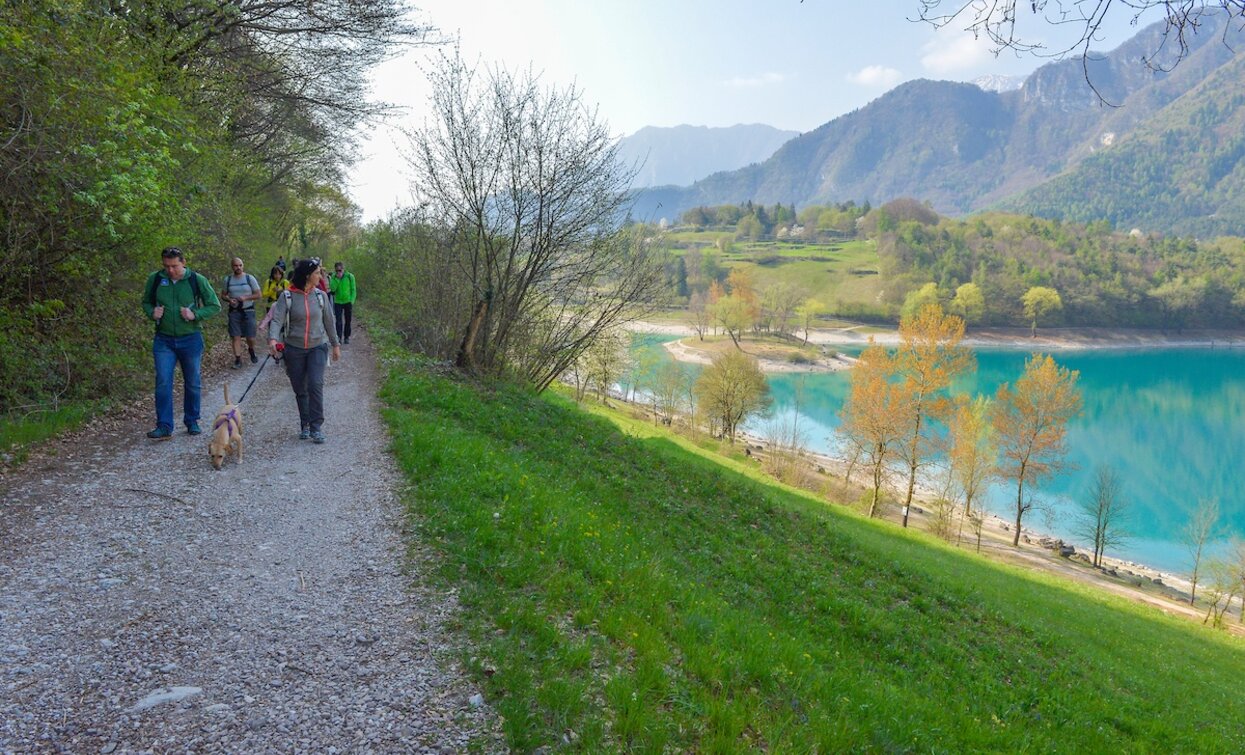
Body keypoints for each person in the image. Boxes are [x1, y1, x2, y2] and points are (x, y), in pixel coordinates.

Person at [141, 247, 221, 440]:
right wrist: (152, 313)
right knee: (163, 381)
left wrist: (196, 315)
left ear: (183, 262)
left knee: (193, 381)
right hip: (164, 339)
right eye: (166, 266)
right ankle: (164, 425)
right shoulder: (156, 279)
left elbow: (215, 305)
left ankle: (192, 420)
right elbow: (146, 302)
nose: (170, 270)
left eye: (174, 266)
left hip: (191, 338)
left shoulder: (196, 280)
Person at [268, 259, 340, 443]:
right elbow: (277, 320)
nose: (320, 276)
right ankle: (305, 424)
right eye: (317, 273)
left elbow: (329, 321)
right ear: (308, 275)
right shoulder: (287, 296)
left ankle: (316, 427)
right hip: (294, 348)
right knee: (300, 388)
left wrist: (335, 345)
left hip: (318, 346)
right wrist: (273, 339)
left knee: (315, 384)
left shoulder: (320, 296)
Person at [220, 257, 262, 368]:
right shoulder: (228, 280)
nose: (238, 267)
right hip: (234, 311)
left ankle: (251, 350)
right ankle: (238, 359)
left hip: (248, 310)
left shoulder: (249, 278)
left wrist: (246, 298)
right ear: (232, 266)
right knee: (235, 336)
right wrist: (229, 299)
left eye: (240, 265)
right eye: (235, 265)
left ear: (243, 266)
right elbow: (223, 295)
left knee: (250, 337)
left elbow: (258, 294)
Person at [328, 261, 357, 344]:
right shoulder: (333, 277)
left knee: (348, 320)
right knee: (338, 320)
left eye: (340, 270)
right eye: (337, 270)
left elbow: (353, 289)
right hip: (338, 302)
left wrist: (352, 300)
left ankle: (347, 337)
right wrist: (337, 279)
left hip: (348, 301)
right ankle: (339, 337)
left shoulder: (350, 276)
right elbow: (333, 289)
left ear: (343, 269)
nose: (338, 272)